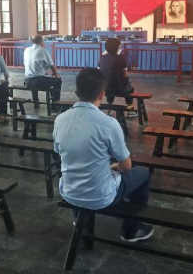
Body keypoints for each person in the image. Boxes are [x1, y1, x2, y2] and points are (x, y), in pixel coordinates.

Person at [53, 68, 153, 242]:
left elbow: (59, 151)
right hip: (100, 196)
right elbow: (126, 166)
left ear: (76, 92)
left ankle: (81, 222)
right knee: (143, 174)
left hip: (69, 191)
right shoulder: (108, 123)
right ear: (102, 94)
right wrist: (114, 166)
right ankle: (131, 228)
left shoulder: (60, 119)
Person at [98, 38, 137, 118]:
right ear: (117, 47)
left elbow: (99, 72)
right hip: (118, 89)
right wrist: (127, 82)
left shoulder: (102, 58)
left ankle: (109, 108)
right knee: (130, 89)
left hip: (104, 88)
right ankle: (130, 110)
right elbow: (125, 75)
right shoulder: (120, 58)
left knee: (109, 82)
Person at [24, 35, 61, 106]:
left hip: (27, 81)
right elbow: (52, 66)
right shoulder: (43, 51)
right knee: (57, 81)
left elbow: (40, 66)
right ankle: (56, 104)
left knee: (40, 78)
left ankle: (35, 101)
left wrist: (49, 73)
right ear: (41, 42)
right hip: (37, 81)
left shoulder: (27, 50)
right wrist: (56, 75)